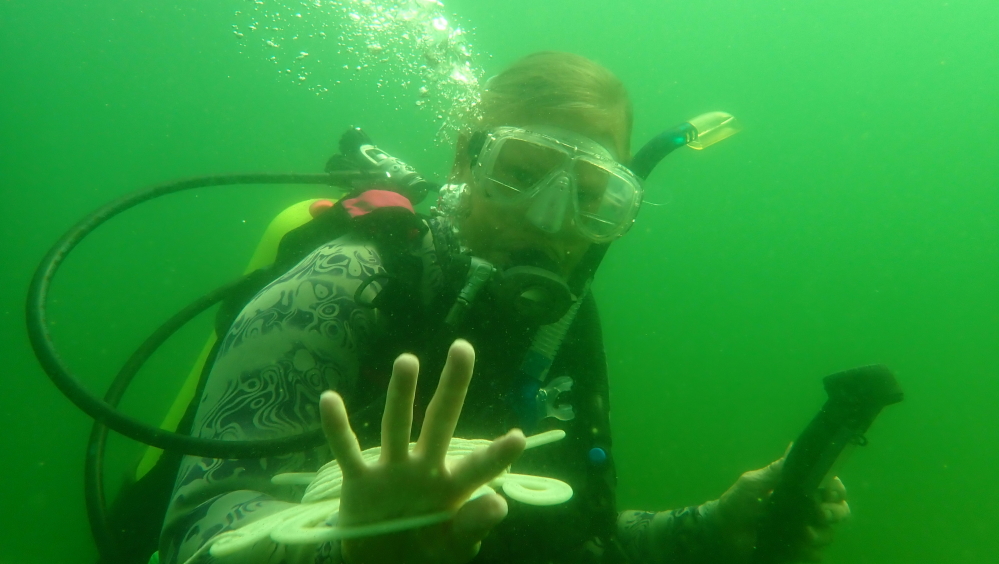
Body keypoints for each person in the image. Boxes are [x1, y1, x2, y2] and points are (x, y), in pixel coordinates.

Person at [160, 52, 850, 564]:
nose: (550, 220)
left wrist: (710, 528)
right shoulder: (343, 284)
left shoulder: (559, 323)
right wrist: (351, 552)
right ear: (466, 159)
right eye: (520, 174)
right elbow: (198, 530)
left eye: (590, 195)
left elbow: (577, 544)